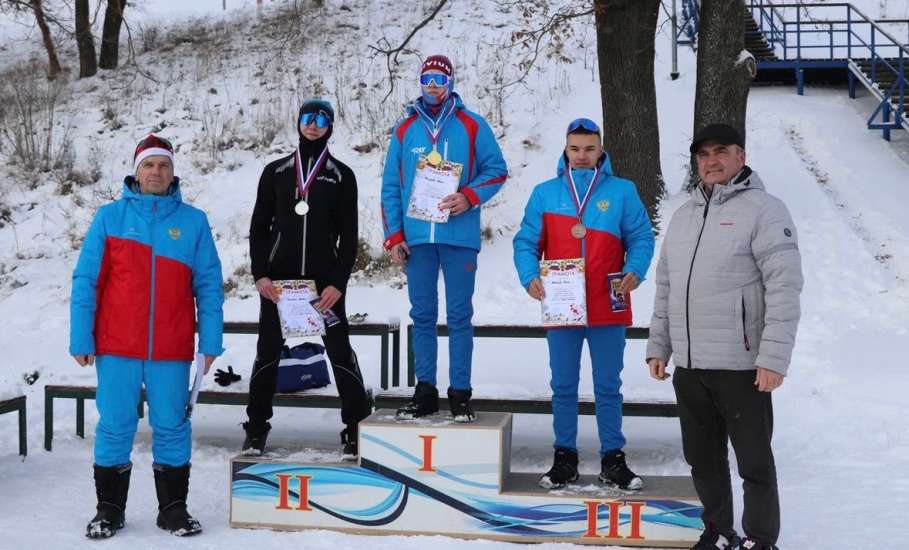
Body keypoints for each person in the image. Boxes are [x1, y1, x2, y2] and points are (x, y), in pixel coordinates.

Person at [646, 124, 803, 550]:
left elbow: (784, 289)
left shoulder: (766, 210)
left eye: (720, 152)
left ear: (741, 156)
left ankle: (759, 538)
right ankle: (717, 531)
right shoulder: (684, 215)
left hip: (742, 366)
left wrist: (773, 359)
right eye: (702, 155)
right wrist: (659, 345)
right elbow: (666, 287)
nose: (710, 161)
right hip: (691, 367)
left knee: (753, 462)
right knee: (703, 460)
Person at [70, 134, 224, 538]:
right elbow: (87, 280)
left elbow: (208, 285)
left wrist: (210, 341)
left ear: (173, 172)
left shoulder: (193, 222)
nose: (156, 172)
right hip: (116, 345)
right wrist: (80, 337)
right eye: (149, 165)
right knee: (116, 424)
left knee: (173, 424)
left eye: (164, 165)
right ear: (136, 171)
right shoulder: (110, 217)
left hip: (170, 348)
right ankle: (109, 510)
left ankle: (173, 510)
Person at [513, 118, 654, 490]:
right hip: (562, 305)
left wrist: (635, 269)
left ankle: (613, 458)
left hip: (608, 301)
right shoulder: (545, 193)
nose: (581, 155)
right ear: (565, 149)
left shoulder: (622, 191)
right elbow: (526, 241)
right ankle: (564, 457)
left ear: (601, 149)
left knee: (609, 385)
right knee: (563, 385)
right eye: (575, 148)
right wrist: (530, 276)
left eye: (589, 148)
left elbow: (640, 236)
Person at [381, 54, 508, 422]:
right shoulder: (405, 129)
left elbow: (497, 170)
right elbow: (391, 186)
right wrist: (394, 236)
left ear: (451, 82)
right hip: (417, 238)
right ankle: (424, 391)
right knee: (422, 315)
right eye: (427, 80)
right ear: (419, 83)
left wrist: (468, 196)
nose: (433, 86)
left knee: (459, 316)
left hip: (458, 236)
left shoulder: (471, 125)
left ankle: (460, 393)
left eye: (440, 79)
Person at [244, 99, 371, 459]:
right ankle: (255, 429)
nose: (313, 125)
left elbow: (349, 237)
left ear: (330, 125)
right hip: (278, 286)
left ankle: (355, 429)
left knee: (340, 353)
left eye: (321, 119)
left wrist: (338, 283)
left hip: (323, 287)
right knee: (267, 353)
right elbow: (258, 228)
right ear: (297, 122)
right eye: (307, 118)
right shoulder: (277, 171)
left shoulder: (342, 175)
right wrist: (260, 275)